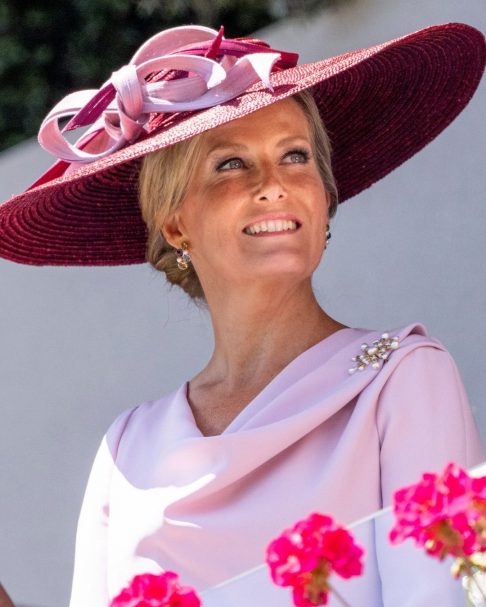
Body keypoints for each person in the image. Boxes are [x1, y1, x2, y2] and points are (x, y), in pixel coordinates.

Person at [0, 23, 484, 607]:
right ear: (175, 224)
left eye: (296, 156)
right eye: (230, 164)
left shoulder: (403, 380)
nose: (274, 185)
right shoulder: (126, 448)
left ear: (324, 196)